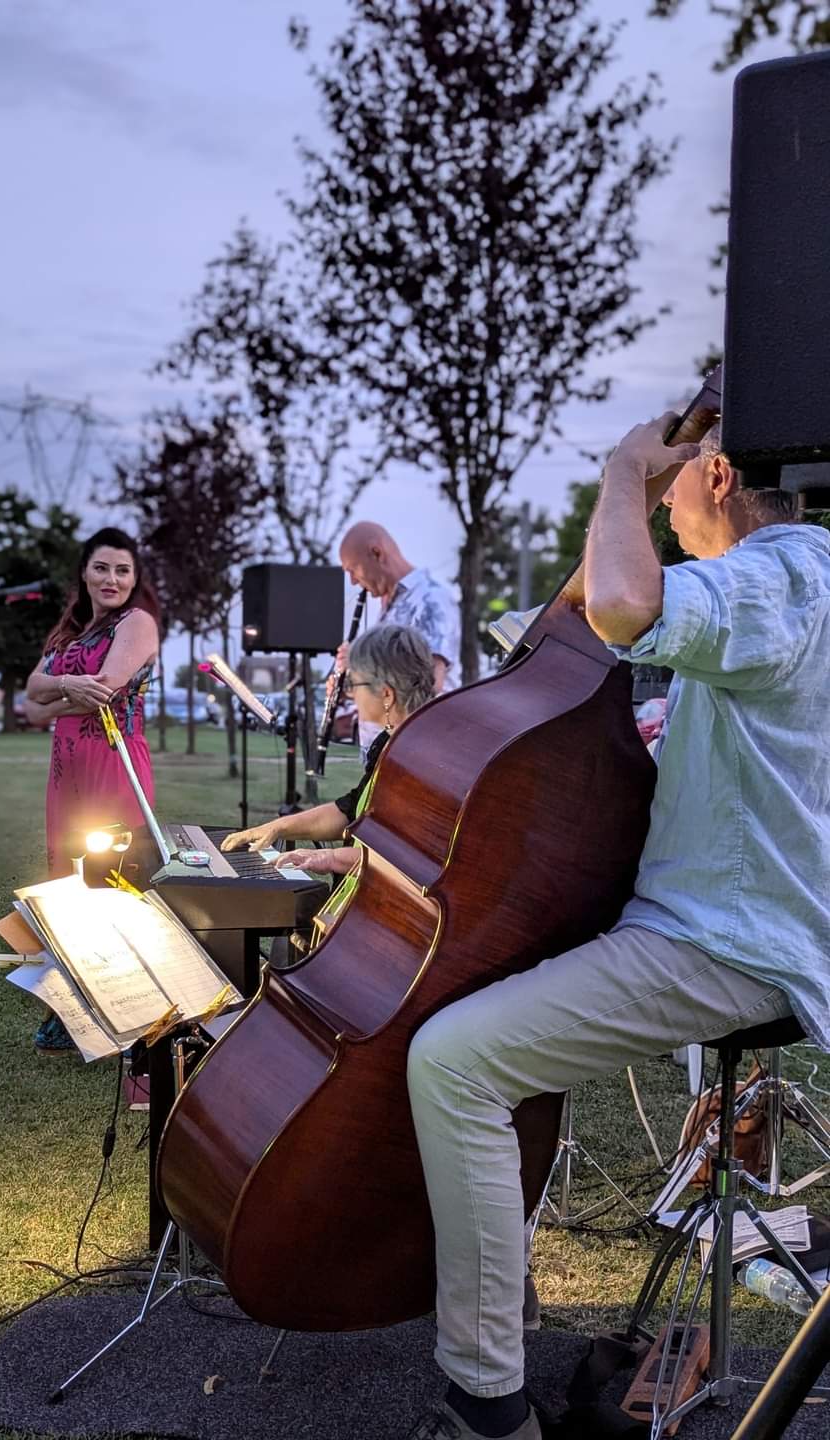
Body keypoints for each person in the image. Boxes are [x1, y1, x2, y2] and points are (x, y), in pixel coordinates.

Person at [404, 416, 830, 1440]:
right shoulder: (800, 581)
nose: (664, 509)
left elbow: (625, 608)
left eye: (675, 488)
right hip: (759, 922)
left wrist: (621, 470)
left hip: (725, 941)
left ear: (716, 476)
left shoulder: (774, 574)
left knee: (454, 1060)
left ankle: (486, 1400)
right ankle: (499, 1298)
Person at [23, 527, 160, 1052]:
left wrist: (56, 695)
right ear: (84, 572)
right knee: (65, 881)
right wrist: (65, 686)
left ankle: (124, 1008)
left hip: (113, 763)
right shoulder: (70, 633)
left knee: (111, 882)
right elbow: (30, 700)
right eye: (102, 568)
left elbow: (104, 690)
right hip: (67, 771)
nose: (112, 579)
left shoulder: (137, 623)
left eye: (123, 570)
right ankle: (72, 1006)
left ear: (134, 578)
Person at [220, 625, 435, 884]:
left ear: (386, 694)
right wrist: (277, 827)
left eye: (354, 684)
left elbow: (406, 859)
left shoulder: (423, 760)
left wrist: (331, 858)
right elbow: (350, 810)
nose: (350, 694)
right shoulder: (389, 742)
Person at [337, 521, 461, 756]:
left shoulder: (429, 599)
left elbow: (429, 686)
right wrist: (352, 680)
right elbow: (385, 680)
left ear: (377, 553)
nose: (352, 581)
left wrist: (359, 669)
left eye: (353, 569)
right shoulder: (390, 604)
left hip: (413, 754)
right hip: (386, 754)